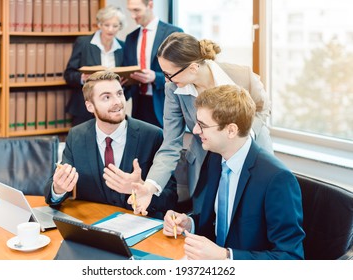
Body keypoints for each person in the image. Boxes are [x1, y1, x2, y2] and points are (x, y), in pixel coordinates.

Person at [104, 32, 273, 215]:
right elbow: (170, 144)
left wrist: (245, 134)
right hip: (205, 160)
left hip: (250, 150)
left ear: (192, 68)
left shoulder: (241, 75)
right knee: (205, 217)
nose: (167, 80)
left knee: (251, 213)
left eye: (169, 74)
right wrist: (150, 186)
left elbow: (262, 109)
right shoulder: (174, 89)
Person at [163, 84, 305, 260]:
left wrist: (226, 257)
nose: (195, 130)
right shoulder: (215, 157)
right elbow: (217, 221)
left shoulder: (277, 179)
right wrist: (189, 224)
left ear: (231, 130)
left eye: (202, 125)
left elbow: (291, 257)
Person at [44, 71, 178, 219]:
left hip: (139, 226)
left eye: (119, 94)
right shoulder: (76, 136)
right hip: (92, 226)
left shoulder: (152, 136)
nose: (118, 102)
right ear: (90, 106)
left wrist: (142, 189)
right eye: (106, 97)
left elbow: (171, 198)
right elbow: (54, 191)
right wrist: (58, 188)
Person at [122, 0, 183, 128]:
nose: (133, 16)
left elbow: (182, 71)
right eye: (130, 11)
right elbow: (126, 68)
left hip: (164, 102)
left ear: (150, 5)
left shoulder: (173, 33)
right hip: (138, 104)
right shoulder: (130, 38)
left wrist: (155, 77)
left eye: (136, 10)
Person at [64, 5, 126, 126]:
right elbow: (68, 74)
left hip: (111, 109)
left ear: (120, 27)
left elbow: (126, 77)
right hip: (84, 107)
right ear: (99, 24)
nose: (110, 29)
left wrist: (122, 84)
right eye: (106, 25)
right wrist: (83, 78)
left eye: (115, 26)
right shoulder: (83, 43)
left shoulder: (123, 47)